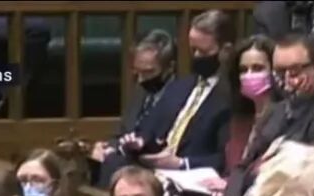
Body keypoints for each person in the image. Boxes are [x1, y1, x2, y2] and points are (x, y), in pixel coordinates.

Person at [99, 10, 234, 181]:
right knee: (112, 162)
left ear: (225, 50)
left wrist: (181, 163)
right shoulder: (182, 86)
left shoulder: (231, 97)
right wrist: (141, 143)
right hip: (156, 167)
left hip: (189, 175)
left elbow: (225, 158)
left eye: (203, 52)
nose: (196, 57)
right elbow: (150, 130)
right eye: (193, 50)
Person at [203, 35, 276, 196]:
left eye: (258, 68)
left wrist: (230, 185)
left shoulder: (284, 118)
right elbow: (232, 168)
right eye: (243, 70)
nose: (249, 75)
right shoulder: (238, 120)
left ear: (274, 71)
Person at [96, 29, 176, 161]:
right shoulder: (141, 93)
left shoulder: (181, 99)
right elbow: (122, 133)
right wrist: (107, 147)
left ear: (170, 68)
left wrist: (117, 153)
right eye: (137, 72)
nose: (140, 79)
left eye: (148, 72)